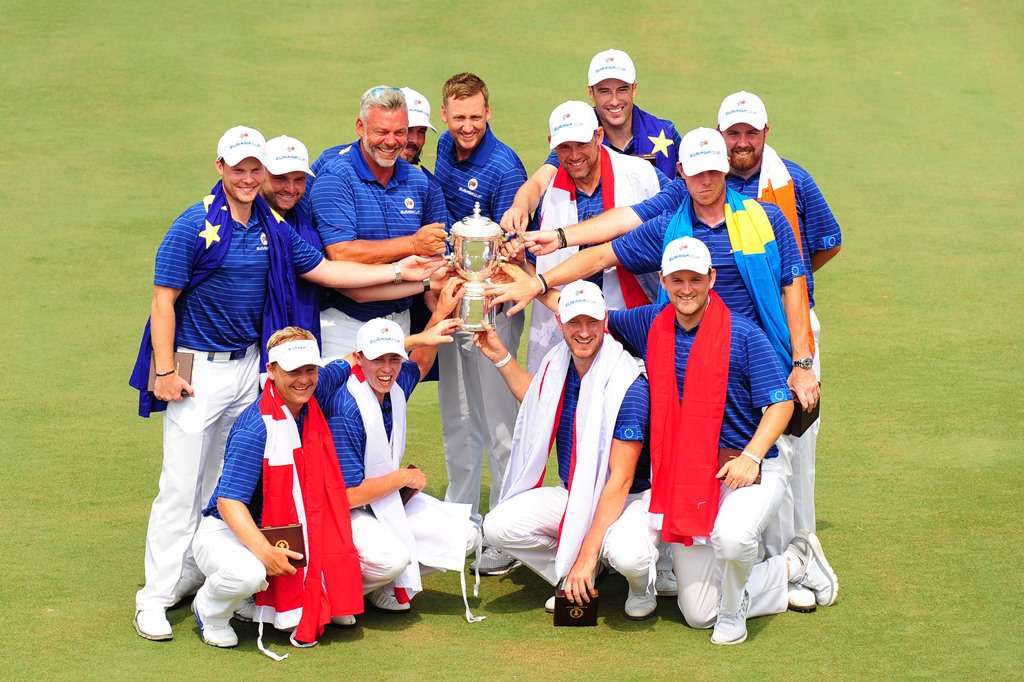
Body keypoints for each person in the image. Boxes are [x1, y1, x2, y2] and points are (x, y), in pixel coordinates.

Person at [129, 126, 441, 642]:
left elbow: (326, 270)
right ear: (220, 168)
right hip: (197, 370)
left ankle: (210, 573)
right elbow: (163, 300)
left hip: (251, 367)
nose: (249, 178)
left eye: (257, 170)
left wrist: (406, 272)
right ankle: (157, 597)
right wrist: (164, 371)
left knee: (231, 483)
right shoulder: (193, 225)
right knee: (181, 486)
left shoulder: (272, 228)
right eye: (241, 168)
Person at [488, 127, 819, 419]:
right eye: (697, 172)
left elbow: (794, 290)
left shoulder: (769, 220)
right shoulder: (666, 229)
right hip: (686, 377)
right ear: (681, 171)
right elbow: (601, 256)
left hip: (755, 369)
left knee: (770, 472)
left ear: (725, 168)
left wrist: (803, 366)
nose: (705, 181)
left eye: (713, 172)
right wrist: (540, 281)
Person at [606, 236, 837, 645]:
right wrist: (535, 284)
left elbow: (780, 405)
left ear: (711, 278)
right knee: (697, 614)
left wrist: (751, 456)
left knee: (732, 539)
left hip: (749, 469)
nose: (686, 288)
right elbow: (591, 322)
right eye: (677, 279)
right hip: (685, 480)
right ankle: (792, 566)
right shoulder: (649, 325)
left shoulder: (744, 335)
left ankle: (734, 612)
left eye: (695, 278)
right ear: (663, 281)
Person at [716, 92, 842, 592]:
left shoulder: (795, 181)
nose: (741, 142)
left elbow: (827, 242)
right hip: (735, 330)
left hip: (793, 327)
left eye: (750, 133)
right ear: (721, 134)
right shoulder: (708, 182)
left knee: (795, 446)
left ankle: (799, 548)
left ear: (766, 133)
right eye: (733, 133)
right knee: (747, 438)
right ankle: (762, 552)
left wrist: (787, 285)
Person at [479, 280, 660, 619]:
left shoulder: (628, 384)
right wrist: (500, 355)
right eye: (575, 322)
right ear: (560, 323)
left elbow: (620, 481)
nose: (584, 332)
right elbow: (538, 399)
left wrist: (587, 555)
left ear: (606, 322)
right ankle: (573, 574)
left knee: (629, 557)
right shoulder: (557, 364)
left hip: (631, 499)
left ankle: (639, 583)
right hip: (576, 490)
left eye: (592, 322)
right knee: (499, 526)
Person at [190, 327, 363, 654]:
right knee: (247, 573)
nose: (304, 379)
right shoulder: (255, 427)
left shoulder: (314, 388)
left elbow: (351, 360)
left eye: (310, 369)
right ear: (271, 371)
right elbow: (229, 503)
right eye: (293, 371)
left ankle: (254, 600)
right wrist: (264, 552)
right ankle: (210, 611)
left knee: (354, 559)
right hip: (229, 531)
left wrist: (421, 336)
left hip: (286, 526)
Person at [325, 279, 483, 620]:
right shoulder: (347, 409)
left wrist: (439, 312)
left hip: (382, 502)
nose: (387, 369)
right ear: (359, 359)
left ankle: (383, 587)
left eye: (393, 360)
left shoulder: (395, 384)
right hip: (344, 513)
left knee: (465, 537)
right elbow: (349, 497)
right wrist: (403, 478)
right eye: (378, 360)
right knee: (391, 560)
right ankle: (338, 591)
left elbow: (421, 362)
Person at [432, 72, 528, 576]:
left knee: (499, 425)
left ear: (488, 114)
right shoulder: (444, 151)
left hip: (493, 311)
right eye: (458, 117)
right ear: (444, 117)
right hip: (455, 306)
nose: (467, 126)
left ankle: (508, 533)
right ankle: (460, 520)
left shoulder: (503, 165)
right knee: (457, 417)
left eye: (475, 117)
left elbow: (512, 250)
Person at [520, 99, 670, 371]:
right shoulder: (546, 192)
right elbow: (527, 261)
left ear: (599, 136)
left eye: (582, 144)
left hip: (629, 323)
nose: (574, 154)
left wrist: (557, 244)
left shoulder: (641, 176)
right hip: (566, 329)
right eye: (565, 147)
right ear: (551, 144)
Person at [309, 86, 449, 359]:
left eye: (399, 132)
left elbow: (435, 260)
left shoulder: (419, 182)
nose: (391, 141)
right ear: (360, 127)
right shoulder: (336, 177)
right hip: (345, 326)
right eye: (381, 132)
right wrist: (412, 244)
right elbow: (342, 253)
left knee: (392, 402)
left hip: (400, 324)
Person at [501, 48, 681, 232]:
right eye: (604, 91)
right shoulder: (577, 136)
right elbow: (539, 182)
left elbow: (687, 192)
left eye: (622, 90)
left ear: (634, 89)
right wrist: (520, 207)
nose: (614, 101)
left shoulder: (666, 133)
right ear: (591, 92)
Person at [261, 135, 323, 345]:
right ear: (261, 173)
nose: (290, 188)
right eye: (280, 178)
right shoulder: (234, 222)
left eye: (299, 179)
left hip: (297, 345)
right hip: (239, 347)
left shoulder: (305, 220)